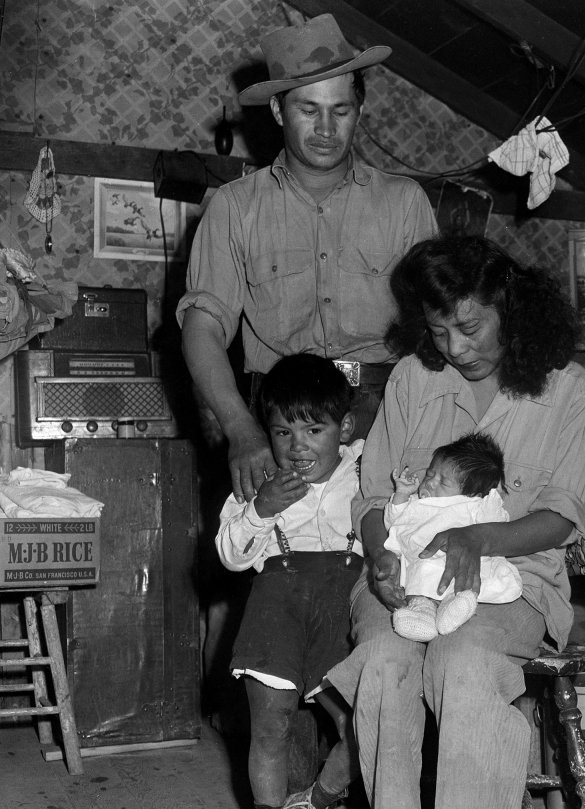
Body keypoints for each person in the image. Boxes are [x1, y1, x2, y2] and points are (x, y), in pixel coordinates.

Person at [259, 234, 585, 809]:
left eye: (470, 325)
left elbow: (563, 512)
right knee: (384, 659)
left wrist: (479, 542)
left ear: (510, 307)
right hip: (402, 574)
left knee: (464, 662)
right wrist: (381, 552)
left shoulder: (566, 388)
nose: (455, 343)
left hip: (513, 576)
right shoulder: (414, 377)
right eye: (438, 328)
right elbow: (373, 492)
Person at [177, 13, 438, 505]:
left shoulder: (405, 203)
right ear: (277, 111)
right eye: (308, 110)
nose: (325, 128)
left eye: (340, 110)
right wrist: (239, 427)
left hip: (384, 411)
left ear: (360, 109)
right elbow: (204, 326)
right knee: (280, 561)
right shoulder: (234, 207)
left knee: (384, 565)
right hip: (278, 421)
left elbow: (436, 331)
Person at [214, 354, 364, 809]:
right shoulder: (258, 479)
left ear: (344, 428)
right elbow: (230, 554)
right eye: (282, 432)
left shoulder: (366, 469)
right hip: (276, 608)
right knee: (270, 724)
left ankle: (318, 805)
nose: (297, 447)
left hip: (341, 610)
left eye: (313, 430)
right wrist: (261, 509)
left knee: (357, 723)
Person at [386, 432, 523, 642]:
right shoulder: (417, 503)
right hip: (422, 561)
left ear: (472, 493)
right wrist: (402, 494)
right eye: (430, 475)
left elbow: (496, 520)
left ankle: (455, 604)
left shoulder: (472, 505)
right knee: (419, 577)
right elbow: (396, 523)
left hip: (457, 563)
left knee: (463, 579)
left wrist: (492, 495)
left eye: (443, 482)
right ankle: (421, 611)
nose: (430, 483)